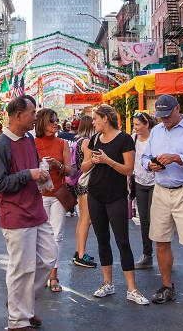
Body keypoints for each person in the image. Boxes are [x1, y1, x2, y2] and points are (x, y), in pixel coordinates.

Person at [0, 96, 57, 330]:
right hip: (16, 216)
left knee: (49, 258)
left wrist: (42, 178)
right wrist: (28, 175)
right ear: (18, 115)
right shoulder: (1, 145)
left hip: (35, 210)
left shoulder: (28, 138)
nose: (35, 117)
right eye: (32, 113)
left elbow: (33, 168)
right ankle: (17, 320)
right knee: (22, 268)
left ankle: (21, 304)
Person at [141, 94, 183, 311]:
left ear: (178, 109)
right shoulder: (157, 131)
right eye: (160, 116)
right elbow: (145, 157)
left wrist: (178, 158)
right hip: (161, 189)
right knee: (160, 239)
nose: (164, 120)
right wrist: (149, 165)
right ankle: (167, 285)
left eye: (167, 115)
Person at [83, 104, 149, 305]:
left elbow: (129, 170)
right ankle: (107, 283)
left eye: (95, 119)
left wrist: (108, 161)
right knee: (102, 239)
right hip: (95, 194)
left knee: (122, 241)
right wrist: (94, 161)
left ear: (105, 118)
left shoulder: (124, 139)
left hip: (116, 195)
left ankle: (131, 288)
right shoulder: (95, 139)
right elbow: (84, 166)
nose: (93, 122)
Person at [34, 108, 72, 293]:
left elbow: (70, 171)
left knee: (57, 235)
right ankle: (39, 273)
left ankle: (53, 274)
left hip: (57, 195)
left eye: (57, 120)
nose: (56, 123)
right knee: (37, 235)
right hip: (38, 195)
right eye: (52, 121)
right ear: (42, 123)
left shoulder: (62, 143)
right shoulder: (32, 143)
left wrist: (58, 166)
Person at [132, 111, 158, 270]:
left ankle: (163, 250)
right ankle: (147, 254)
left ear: (146, 125)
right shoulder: (133, 139)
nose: (134, 128)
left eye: (137, 125)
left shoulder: (156, 139)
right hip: (139, 182)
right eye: (134, 125)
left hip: (156, 182)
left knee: (154, 218)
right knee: (144, 220)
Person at [72, 115, 97, 268]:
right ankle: (81, 254)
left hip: (81, 182)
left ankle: (78, 251)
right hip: (87, 182)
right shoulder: (87, 142)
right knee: (86, 220)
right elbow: (85, 166)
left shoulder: (78, 141)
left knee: (83, 219)